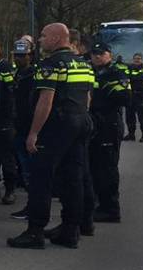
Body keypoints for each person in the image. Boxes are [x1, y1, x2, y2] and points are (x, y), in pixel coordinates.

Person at [7, 23, 95, 250]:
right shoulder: (83, 64)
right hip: (80, 121)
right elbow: (87, 97)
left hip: (57, 124)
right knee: (73, 177)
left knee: (41, 178)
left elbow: (45, 100)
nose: (40, 40)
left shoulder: (50, 65)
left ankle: (35, 231)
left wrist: (34, 133)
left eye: (44, 36)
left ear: (57, 38)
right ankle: (70, 229)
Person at [89, 44, 131, 222]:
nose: (97, 57)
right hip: (95, 124)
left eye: (101, 54)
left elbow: (125, 98)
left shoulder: (116, 73)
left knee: (108, 168)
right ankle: (100, 204)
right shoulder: (91, 72)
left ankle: (111, 209)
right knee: (95, 167)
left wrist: (105, 91)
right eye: (94, 54)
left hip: (109, 123)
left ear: (109, 55)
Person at [7, 38, 37, 220]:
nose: (18, 59)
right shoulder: (18, 74)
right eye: (16, 56)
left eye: (22, 56)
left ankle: (34, 206)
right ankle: (31, 204)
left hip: (29, 126)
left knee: (31, 170)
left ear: (30, 56)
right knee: (26, 170)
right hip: (18, 125)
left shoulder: (34, 74)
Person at [0, 39, 19, 205]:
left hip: (4, 117)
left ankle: (10, 189)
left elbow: (10, 91)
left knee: (7, 155)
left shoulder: (4, 67)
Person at [124, 52, 143, 142]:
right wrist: (131, 77)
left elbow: (142, 77)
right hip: (130, 96)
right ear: (133, 59)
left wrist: (131, 77)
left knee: (142, 117)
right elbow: (125, 77)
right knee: (129, 116)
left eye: (139, 58)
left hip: (140, 96)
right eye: (135, 58)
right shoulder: (129, 68)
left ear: (141, 60)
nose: (137, 60)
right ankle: (131, 134)